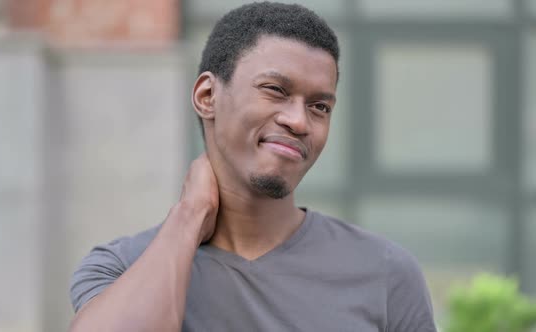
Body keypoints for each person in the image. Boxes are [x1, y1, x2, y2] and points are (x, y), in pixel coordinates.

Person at [69, 2, 437, 331]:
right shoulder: (121, 267)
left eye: (320, 107)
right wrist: (189, 215)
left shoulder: (385, 272)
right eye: (275, 90)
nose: (299, 121)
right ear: (207, 96)